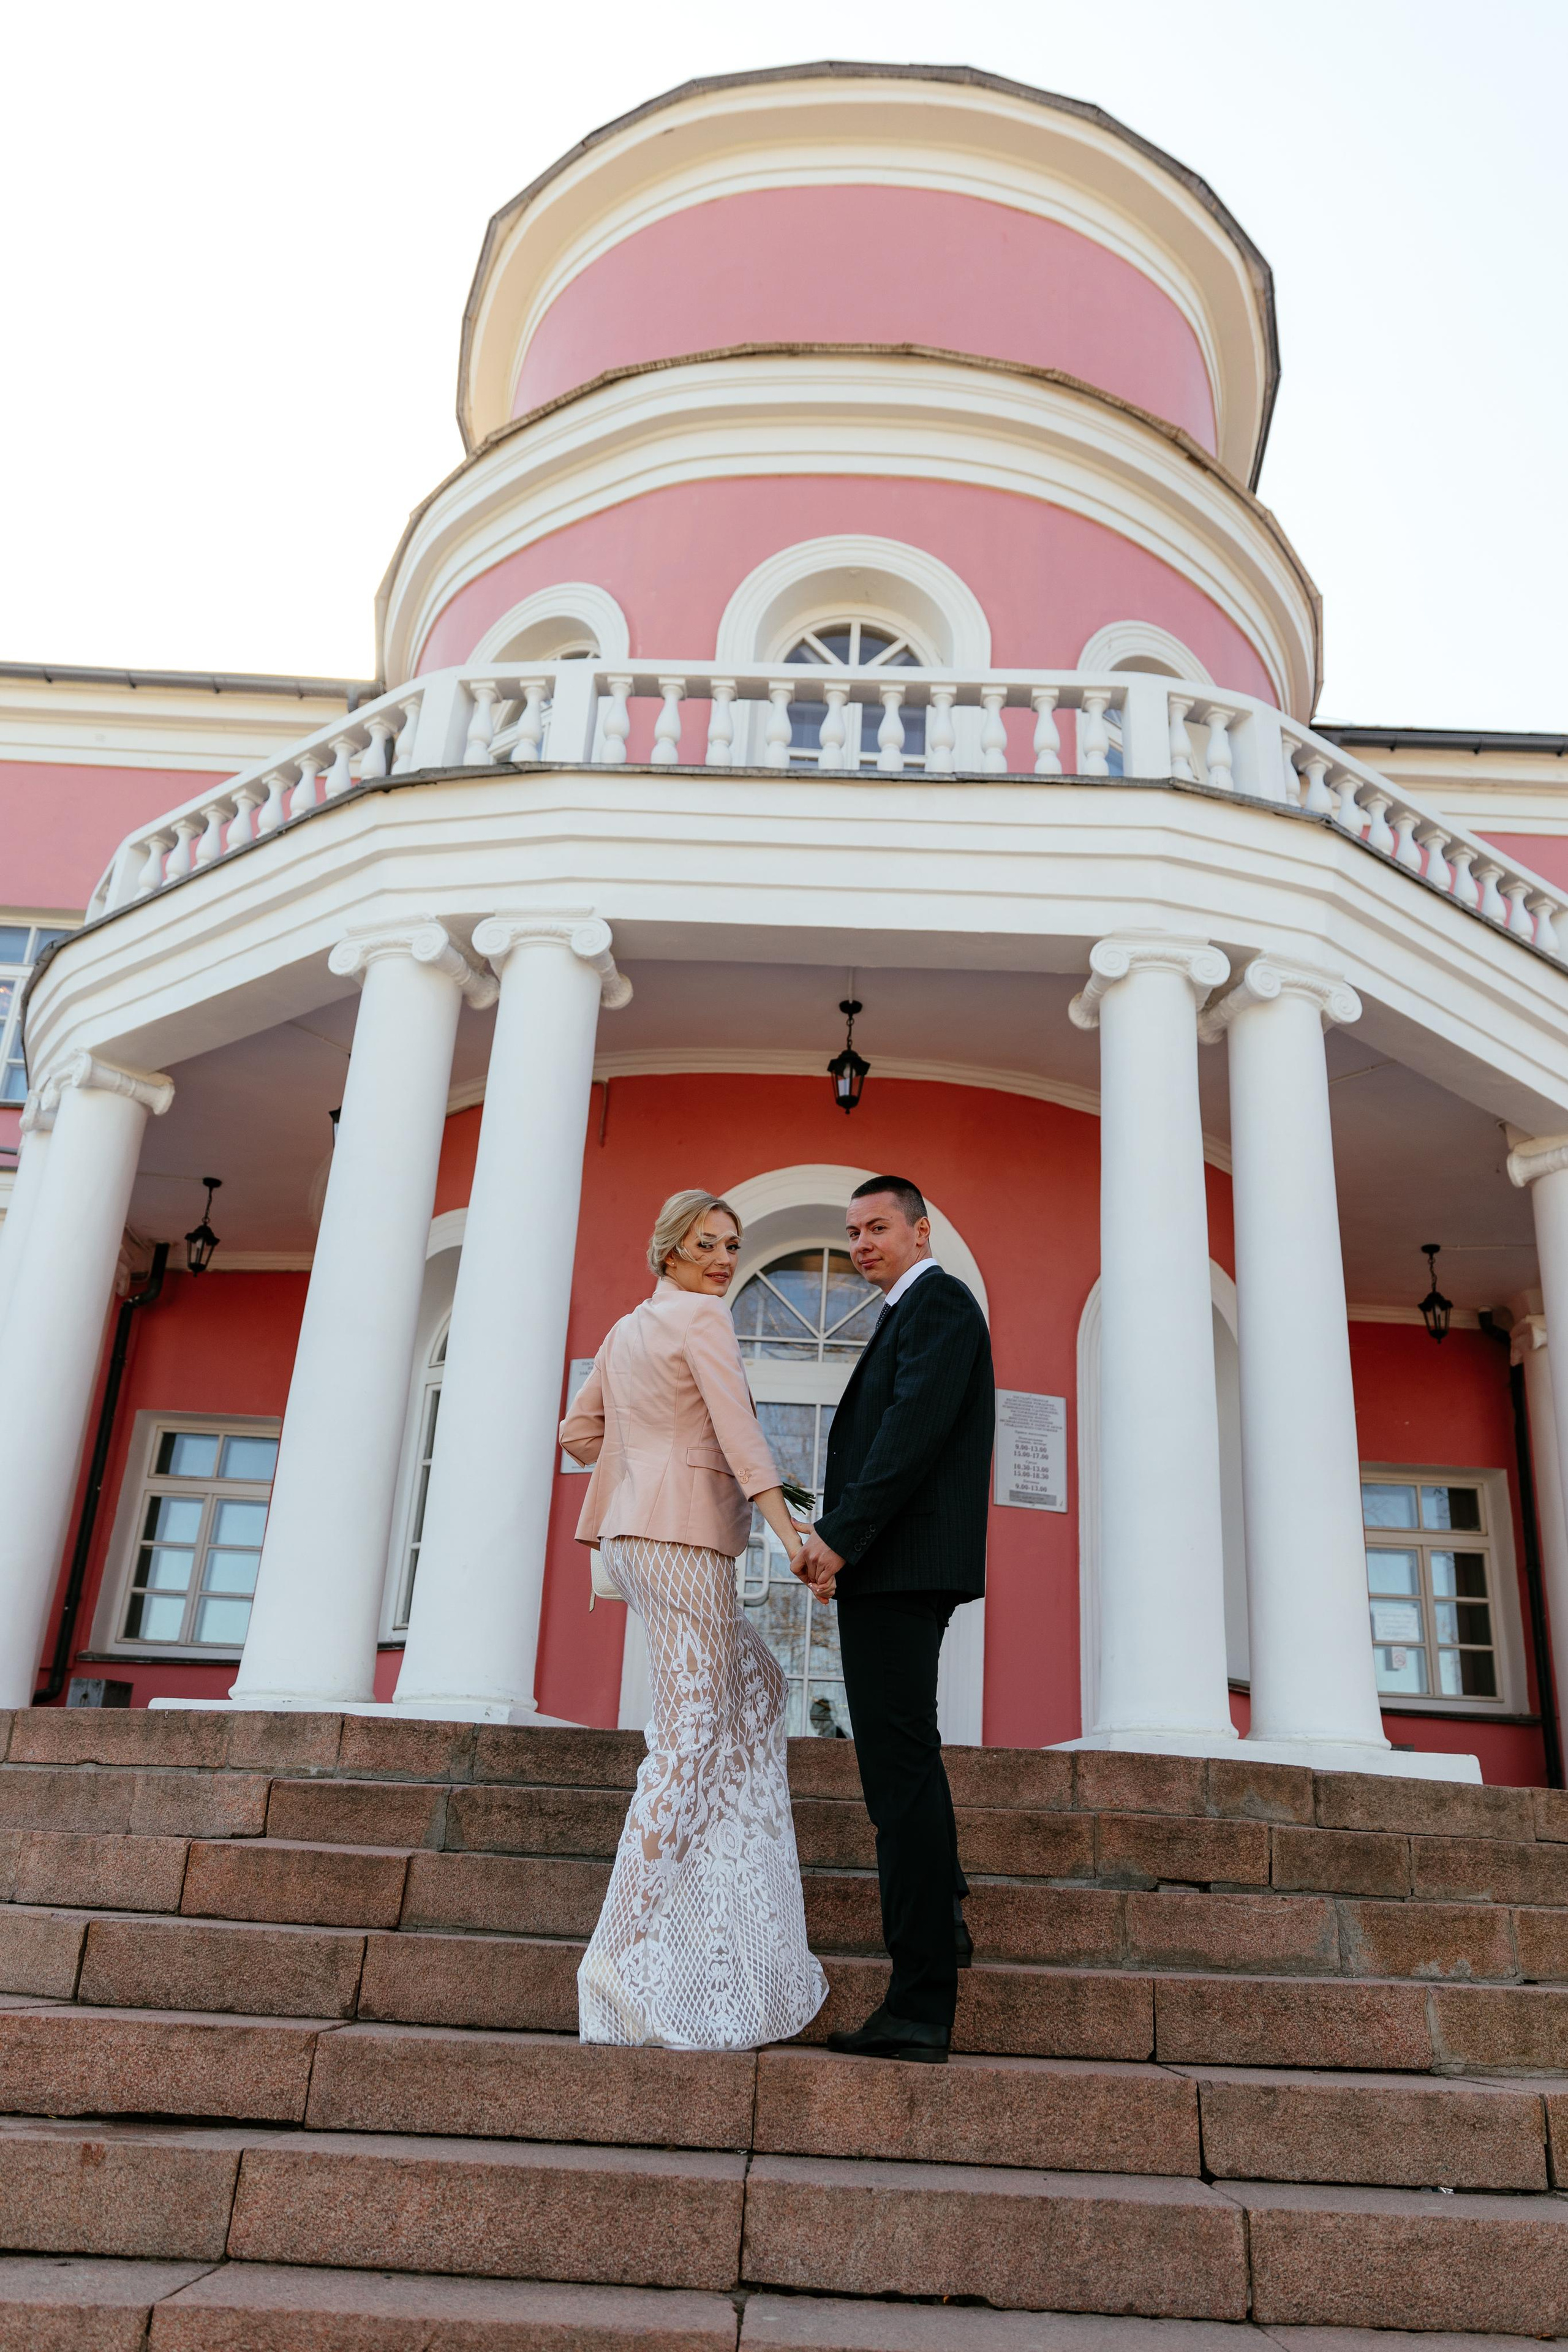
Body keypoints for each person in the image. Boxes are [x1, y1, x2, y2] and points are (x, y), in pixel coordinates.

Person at [560, 1188, 827, 2051]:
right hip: (680, 1540)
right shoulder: (702, 1322)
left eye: (731, 1244)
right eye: (705, 1243)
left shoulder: (627, 1328)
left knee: (758, 1684)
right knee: (686, 1733)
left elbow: (576, 1432)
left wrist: (646, 1459)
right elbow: (743, 1434)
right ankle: (621, 1949)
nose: (722, 1259)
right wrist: (792, 1536)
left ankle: (723, 1883)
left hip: (639, 1540)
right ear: (669, 1249)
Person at [794, 1175, 994, 2064]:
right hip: (894, 1569)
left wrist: (838, 1538)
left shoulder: (940, 1303)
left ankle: (917, 2005)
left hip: (904, 1569)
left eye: (878, 1227)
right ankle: (941, 1916)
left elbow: (909, 1434)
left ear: (921, 1231)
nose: (861, 1243)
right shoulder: (906, 1312)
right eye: (852, 1231)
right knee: (901, 1762)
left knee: (898, 1774)